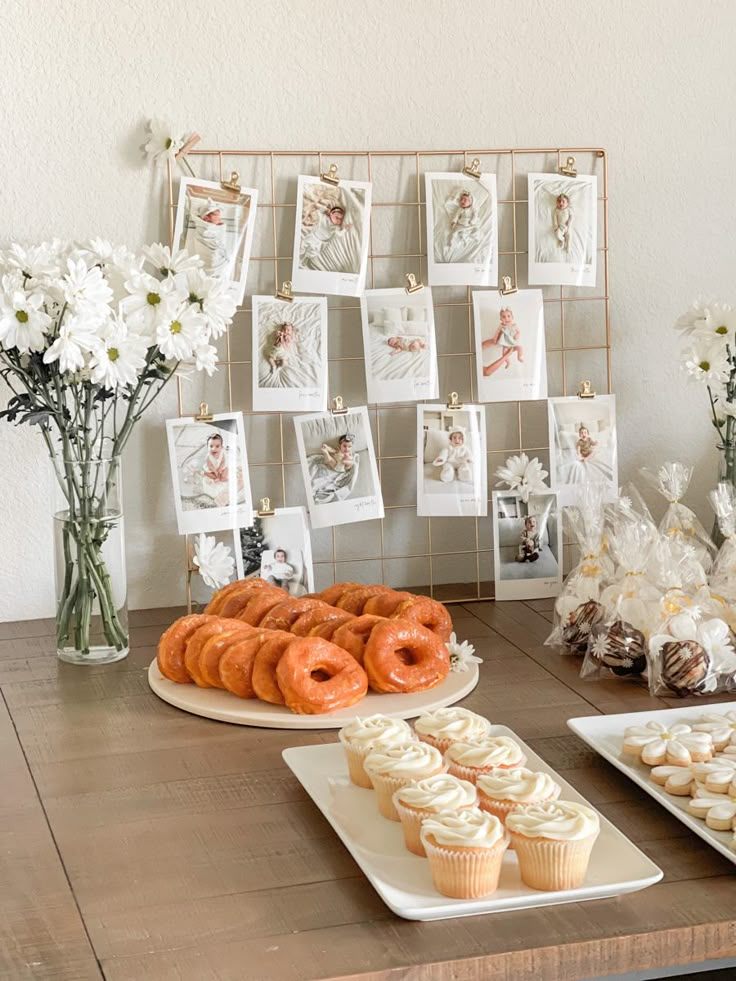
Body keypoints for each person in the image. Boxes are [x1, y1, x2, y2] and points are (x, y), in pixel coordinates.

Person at [307, 432, 360, 503]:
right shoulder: (338, 450)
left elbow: (350, 463)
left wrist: (346, 458)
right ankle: (325, 452)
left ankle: (330, 456)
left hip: (342, 468)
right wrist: (327, 448)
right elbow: (332, 450)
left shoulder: (349, 454)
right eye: (344, 446)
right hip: (334, 464)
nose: (347, 448)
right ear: (340, 445)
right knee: (329, 460)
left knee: (347, 463)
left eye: (349, 446)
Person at [192, 198, 230, 275]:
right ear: (206, 218)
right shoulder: (203, 228)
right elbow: (207, 238)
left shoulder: (217, 228)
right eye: (217, 216)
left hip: (216, 256)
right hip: (208, 254)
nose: (220, 219)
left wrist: (220, 228)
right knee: (211, 261)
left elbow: (221, 240)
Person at [482, 306, 523, 376]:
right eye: (504, 317)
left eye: (508, 316)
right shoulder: (502, 326)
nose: (506, 318)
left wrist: (517, 335)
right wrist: (495, 338)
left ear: (512, 317)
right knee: (504, 353)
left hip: (513, 343)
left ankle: (519, 357)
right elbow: (497, 332)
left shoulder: (514, 325)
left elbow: (518, 332)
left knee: (520, 348)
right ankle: (508, 362)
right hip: (505, 344)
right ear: (501, 319)